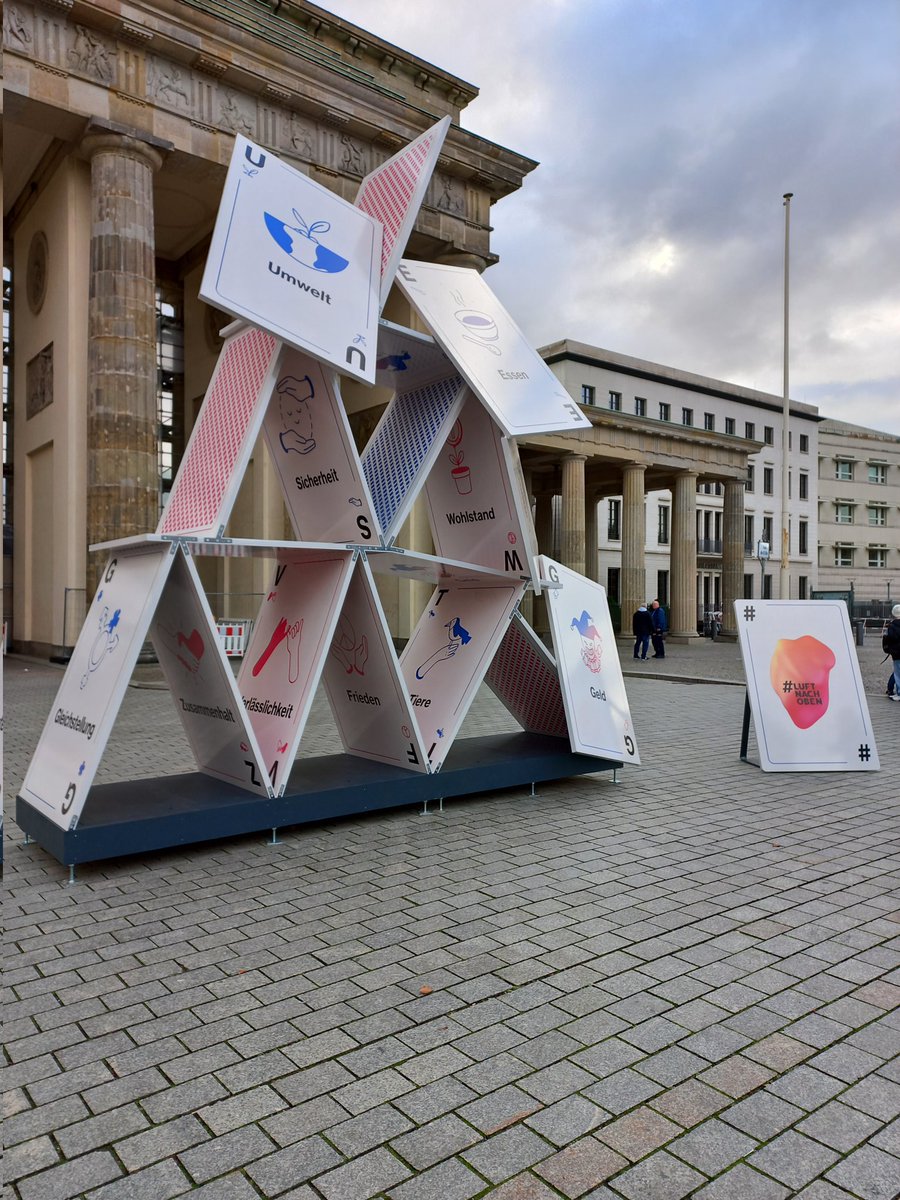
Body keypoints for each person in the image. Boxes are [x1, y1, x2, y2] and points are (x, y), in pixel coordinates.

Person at [883, 604, 900, 701]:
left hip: (896, 654)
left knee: (897, 674)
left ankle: (898, 693)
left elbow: (889, 639)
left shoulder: (891, 626)